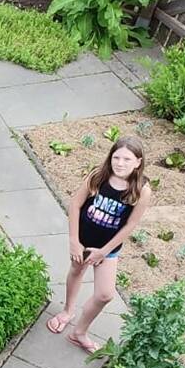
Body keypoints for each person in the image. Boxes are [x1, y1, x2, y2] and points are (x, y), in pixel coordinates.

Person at [49, 136, 150, 353]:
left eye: (127, 159)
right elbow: (75, 205)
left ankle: (79, 333)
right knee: (76, 270)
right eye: (116, 157)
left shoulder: (141, 190)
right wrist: (74, 242)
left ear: (138, 162)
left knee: (105, 294)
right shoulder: (98, 176)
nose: (120, 163)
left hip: (107, 249)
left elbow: (130, 226)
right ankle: (67, 311)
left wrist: (104, 252)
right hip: (83, 241)